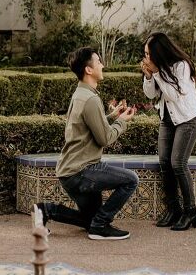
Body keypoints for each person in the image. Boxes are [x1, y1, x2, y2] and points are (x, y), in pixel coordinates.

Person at [37, 47, 138, 241]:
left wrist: (112, 116)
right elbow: (105, 139)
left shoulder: (80, 94)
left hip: (69, 171)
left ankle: (44, 210)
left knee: (89, 218)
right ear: (88, 70)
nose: (102, 64)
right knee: (131, 180)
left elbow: (87, 125)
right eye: (98, 61)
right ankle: (100, 226)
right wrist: (122, 122)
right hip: (81, 171)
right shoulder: (91, 99)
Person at [141, 32, 196, 231]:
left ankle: (191, 211)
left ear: (159, 53)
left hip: (187, 120)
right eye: (145, 54)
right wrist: (149, 76)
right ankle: (174, 209)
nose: (147, 58)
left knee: (178, 163)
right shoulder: (158, 68)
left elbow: (174, 95)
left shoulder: (181, 66)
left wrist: (157, 73)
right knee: (164, 164)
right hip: (167, 120)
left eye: (149, 54)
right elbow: (151, 94)